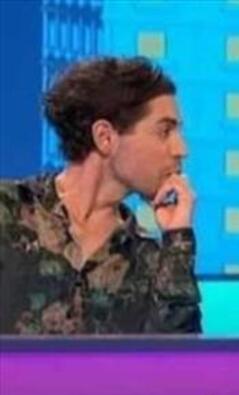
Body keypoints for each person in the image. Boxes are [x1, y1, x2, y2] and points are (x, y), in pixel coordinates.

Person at [0, 57, 200, 335]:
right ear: (105, 137)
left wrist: (178, 240)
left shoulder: (149, 260)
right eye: (164, 131)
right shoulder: (9, 211)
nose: (181, 149)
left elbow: (176, 356)